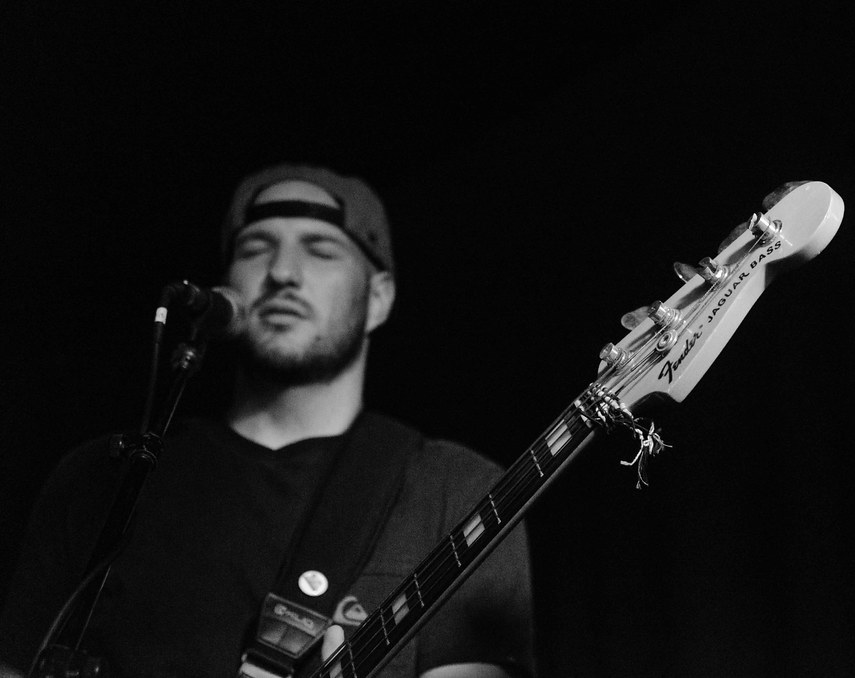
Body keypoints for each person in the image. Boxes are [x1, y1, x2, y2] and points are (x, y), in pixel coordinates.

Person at [0, 165, 535, 677]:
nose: (282, 272)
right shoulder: (102, 478)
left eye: (320, 250)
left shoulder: (454, 490)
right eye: (256, 248)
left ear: (378, 298)